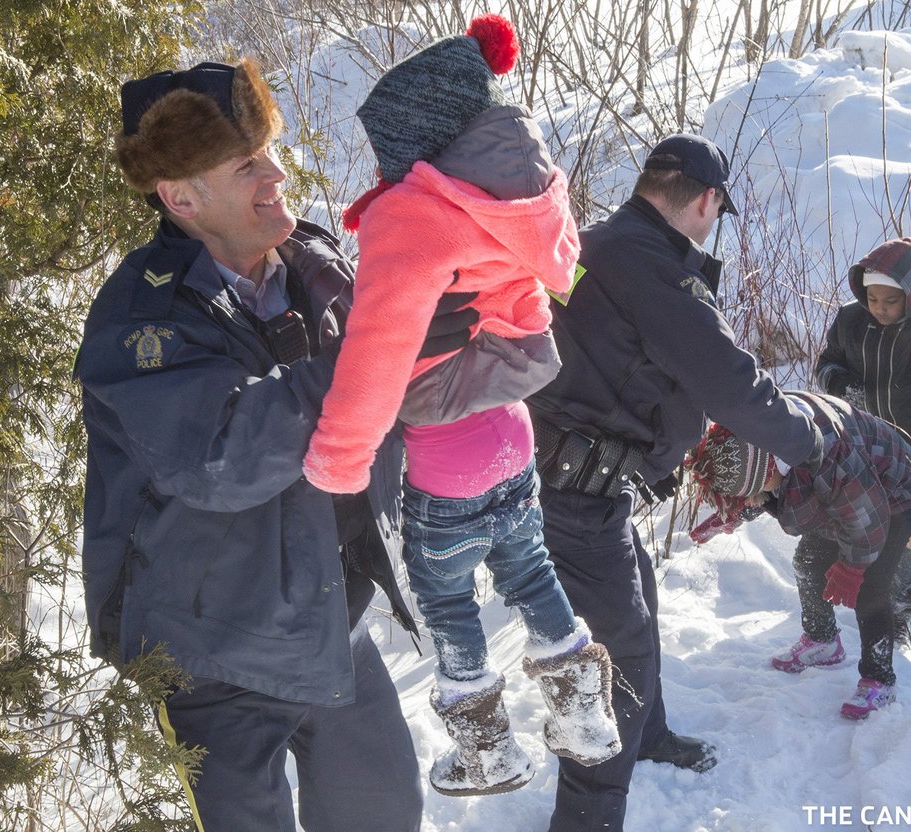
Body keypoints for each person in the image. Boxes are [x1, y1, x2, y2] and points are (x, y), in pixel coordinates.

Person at [75, 59, 474, 830]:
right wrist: (371, 357)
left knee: (385, 816)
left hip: (335, 635)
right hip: (214, 661)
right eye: (247, 163)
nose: (278, 174)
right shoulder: (138, 319)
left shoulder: (314, 263)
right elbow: (223, 454)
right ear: (181, 197)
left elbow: (383, 400)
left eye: (270, 151)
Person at [302, 15, 619, 796]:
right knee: (530, 568)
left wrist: (339, 460)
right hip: (514, 430)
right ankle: (582, 712)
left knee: (446, 596)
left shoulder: (413, 213)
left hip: (448, 450)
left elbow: (379, 348)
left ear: (412, 141)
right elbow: (562, 277)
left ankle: (486, 751)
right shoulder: (520, 190)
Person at [527, 133, 824, 831]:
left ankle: (647, 736)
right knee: (612, 654)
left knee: (640, 606)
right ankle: (588, 818)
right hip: (572, 491)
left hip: (581, 480)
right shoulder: (647, 263)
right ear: (706, 199)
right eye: (719, 210)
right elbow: (725, 377)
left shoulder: (606, 243)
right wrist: (806, 438)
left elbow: (619, 363)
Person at [687, 393, 911, 718]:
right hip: (848, 495)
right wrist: (737, 512)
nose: (755, 497)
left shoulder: (831, 457)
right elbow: (767, 484)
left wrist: (851, 568)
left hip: (893, 491)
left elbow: (865, 522)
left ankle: (879, 680)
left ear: (768, 467)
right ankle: (823, 642)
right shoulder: (768, 436)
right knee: (809, 562)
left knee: (871, 588)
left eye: (752, 492)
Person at [815, 237, 911, 640]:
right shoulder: (851, 321)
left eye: (891, 301)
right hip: (864, 446)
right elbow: (828, 360)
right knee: (870, 524)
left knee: (904, 536)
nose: (880, 309)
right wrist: (839, 384)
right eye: (873, 299)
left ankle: (901, 610)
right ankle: (906, 599)